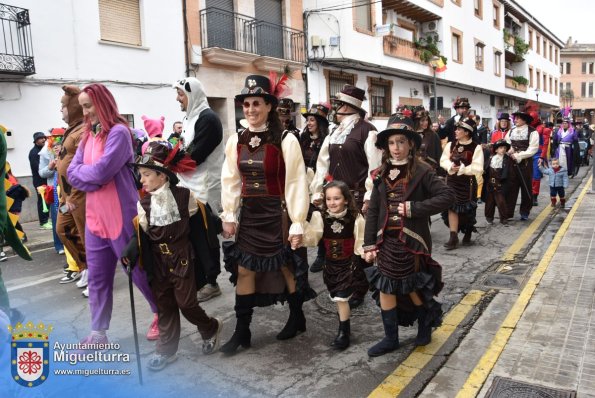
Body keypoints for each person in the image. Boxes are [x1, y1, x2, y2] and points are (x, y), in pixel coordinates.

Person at [219, 74, 315, 353]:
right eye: (246, 104)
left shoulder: (286, 139)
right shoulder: (235, 139)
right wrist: (229, 213)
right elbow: (231, 179)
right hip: (250, 214)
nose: (250, 109)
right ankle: (242, 332)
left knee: (286, 267)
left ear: (269, 106)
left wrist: (298, 221)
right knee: (244, 269)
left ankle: (297, 317)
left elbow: (297, 181)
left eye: (256, 103)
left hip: (277, 213)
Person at [67, 83, 159, 344]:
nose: (86, 112)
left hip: (121, 215)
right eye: (83, 107)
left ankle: (161, 314)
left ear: (102, 103)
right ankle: (98, 333)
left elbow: (100, 172)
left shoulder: (119, 133)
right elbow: (73, 174)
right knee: (97, 278)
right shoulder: (88, 136)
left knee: (138, 271)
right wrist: (92, 178)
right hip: (95, 219)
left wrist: (92, 177)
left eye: (88, 106)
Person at [121, 141, 222, 371]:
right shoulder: (143, 203)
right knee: (165, 305)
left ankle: (210, 327)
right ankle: (166, 350)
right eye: (141, 175)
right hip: (158, 261)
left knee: (187, 303)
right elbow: (142, 233)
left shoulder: (185, 196)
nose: (142, 180)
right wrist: (131, 250)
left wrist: (220, 226)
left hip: (182, 257)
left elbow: (201, 221)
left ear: (163, 176)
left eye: (147, 175)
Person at [363, 113, 453, 357]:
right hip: (386, 241)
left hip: (412, 242)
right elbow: (373, 210)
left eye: (401, 142)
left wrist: (415, 208)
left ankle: (425, 323)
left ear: (411, 143)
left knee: (411, 287)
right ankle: (390, 338)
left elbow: (446, 196)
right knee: (385, 286)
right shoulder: (381, 173)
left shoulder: (423, 171)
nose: (396, 148)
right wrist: (369, 243)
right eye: (392, 143)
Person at [310, 84, 382, 308]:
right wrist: (318, 190)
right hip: (335, 196)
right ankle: (342, 284)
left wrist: (370, 195)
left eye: (340, 105)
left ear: (349, 107)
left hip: (358, 195)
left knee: (357, 245)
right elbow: (323, 163)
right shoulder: (334, 132)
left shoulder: (368, 131)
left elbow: (375, 167)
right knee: (336, 242)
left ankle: (359, 289)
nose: (336, 109)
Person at [173, 78, 224, 303]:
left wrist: (170, 159)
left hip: (205, 187)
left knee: (206, 236)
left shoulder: (209, 119)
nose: (178, 99)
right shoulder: (189, 118)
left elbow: (194, 155)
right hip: (189, 186)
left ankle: (211, 282)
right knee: (192, 235)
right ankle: (199, 279)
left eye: (181, 95)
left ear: (192, 95)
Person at [304, 181, 365, 349]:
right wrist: (300, 231)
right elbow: (313, 238)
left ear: (346, 199)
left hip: (349, 265)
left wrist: (367, 253)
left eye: (337, 198)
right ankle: (345, 328)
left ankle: (344, 332)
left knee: (341, 298)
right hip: (331, 266)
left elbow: (361, 241)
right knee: (339, 297)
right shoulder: (320, 217)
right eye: (329, 199)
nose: (332, 202)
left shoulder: (355, 217)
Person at [56, 85, 88, 292]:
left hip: (79, 196)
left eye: (63, 106)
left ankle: (96, 275)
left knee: (86, 236)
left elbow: (84, 164)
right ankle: (85, 267)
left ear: (73, 107)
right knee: (63, 230)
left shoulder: (83, 131)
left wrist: (74, 196)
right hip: (66, 197)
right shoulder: (73, 130)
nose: (61, 110)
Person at [440, 117, 484, 249]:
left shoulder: (476, 147)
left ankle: (468, 231)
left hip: (468, 183)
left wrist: (463, 169)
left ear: (467, 132)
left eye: (459, 129)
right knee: (452, 207)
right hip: (452, 182)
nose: (456, 131)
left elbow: (478, 168)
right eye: (456, 129)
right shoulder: (450, 145)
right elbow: (442, 160)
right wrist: (450, 166)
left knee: (467, 210)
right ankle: (453, 236)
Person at [300, 103, 330, 273]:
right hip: (304, 185)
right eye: (308, 120)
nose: (309, 123)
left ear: (320, 122)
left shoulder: (327, 140)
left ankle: (322, 254)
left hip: (321, 186)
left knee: (321, 219)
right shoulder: (302, 139)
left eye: (312, 120)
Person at [505, 108, 539, 221]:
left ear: (524, 120)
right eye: (516, 117)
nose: (516, 119)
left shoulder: (532, 131)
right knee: (511, 187)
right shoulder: (511, 131)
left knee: (526, 187)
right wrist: (509, 150)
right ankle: (508, 212)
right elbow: (507, 143)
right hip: (512, 163)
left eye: (519, 118)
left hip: (525, 163)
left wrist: (519, 156)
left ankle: (525, 211)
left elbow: (533, 149)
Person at [39, 128, 66, 257]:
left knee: (68, 217)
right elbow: (41, 173)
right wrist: (50, 168)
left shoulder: (69, 152)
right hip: (54, 191)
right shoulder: (45, 155)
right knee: (56, 219)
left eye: (58, 144)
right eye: (54, 145)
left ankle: (70, 243)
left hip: (67, 190)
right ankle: (59, 245)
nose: (56, 147)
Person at [485, 140, 512, 225]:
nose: (503, 149)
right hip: (490, 183)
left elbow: (508, 172)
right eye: (500, 148)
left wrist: (503, 181)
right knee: (489, 202)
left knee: (501, 201)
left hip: (500, 183)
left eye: (504, 148)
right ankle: (489, 217)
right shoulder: (491, 157)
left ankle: (504, 218)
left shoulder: (507, 159)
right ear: (496, 150)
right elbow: (486, 168)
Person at [29, 132, 51, 229]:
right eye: (40, 138)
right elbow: (37, 168)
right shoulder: (34, 152)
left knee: (47, 200)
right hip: (39, 181)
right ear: (35, 141)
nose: (43, 140)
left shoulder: (44, 150)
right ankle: (43, 222)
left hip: (45, 179)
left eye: (43, 138)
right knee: (42, 201)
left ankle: (46, 219)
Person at [530, 111, 551, 206]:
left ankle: (534, 196)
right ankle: (528, 195)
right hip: (526, 154)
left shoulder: (543, 129)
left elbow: (545, 145)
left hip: (537, 155)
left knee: (536, 175)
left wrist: (542, 157)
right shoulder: (526, 128)